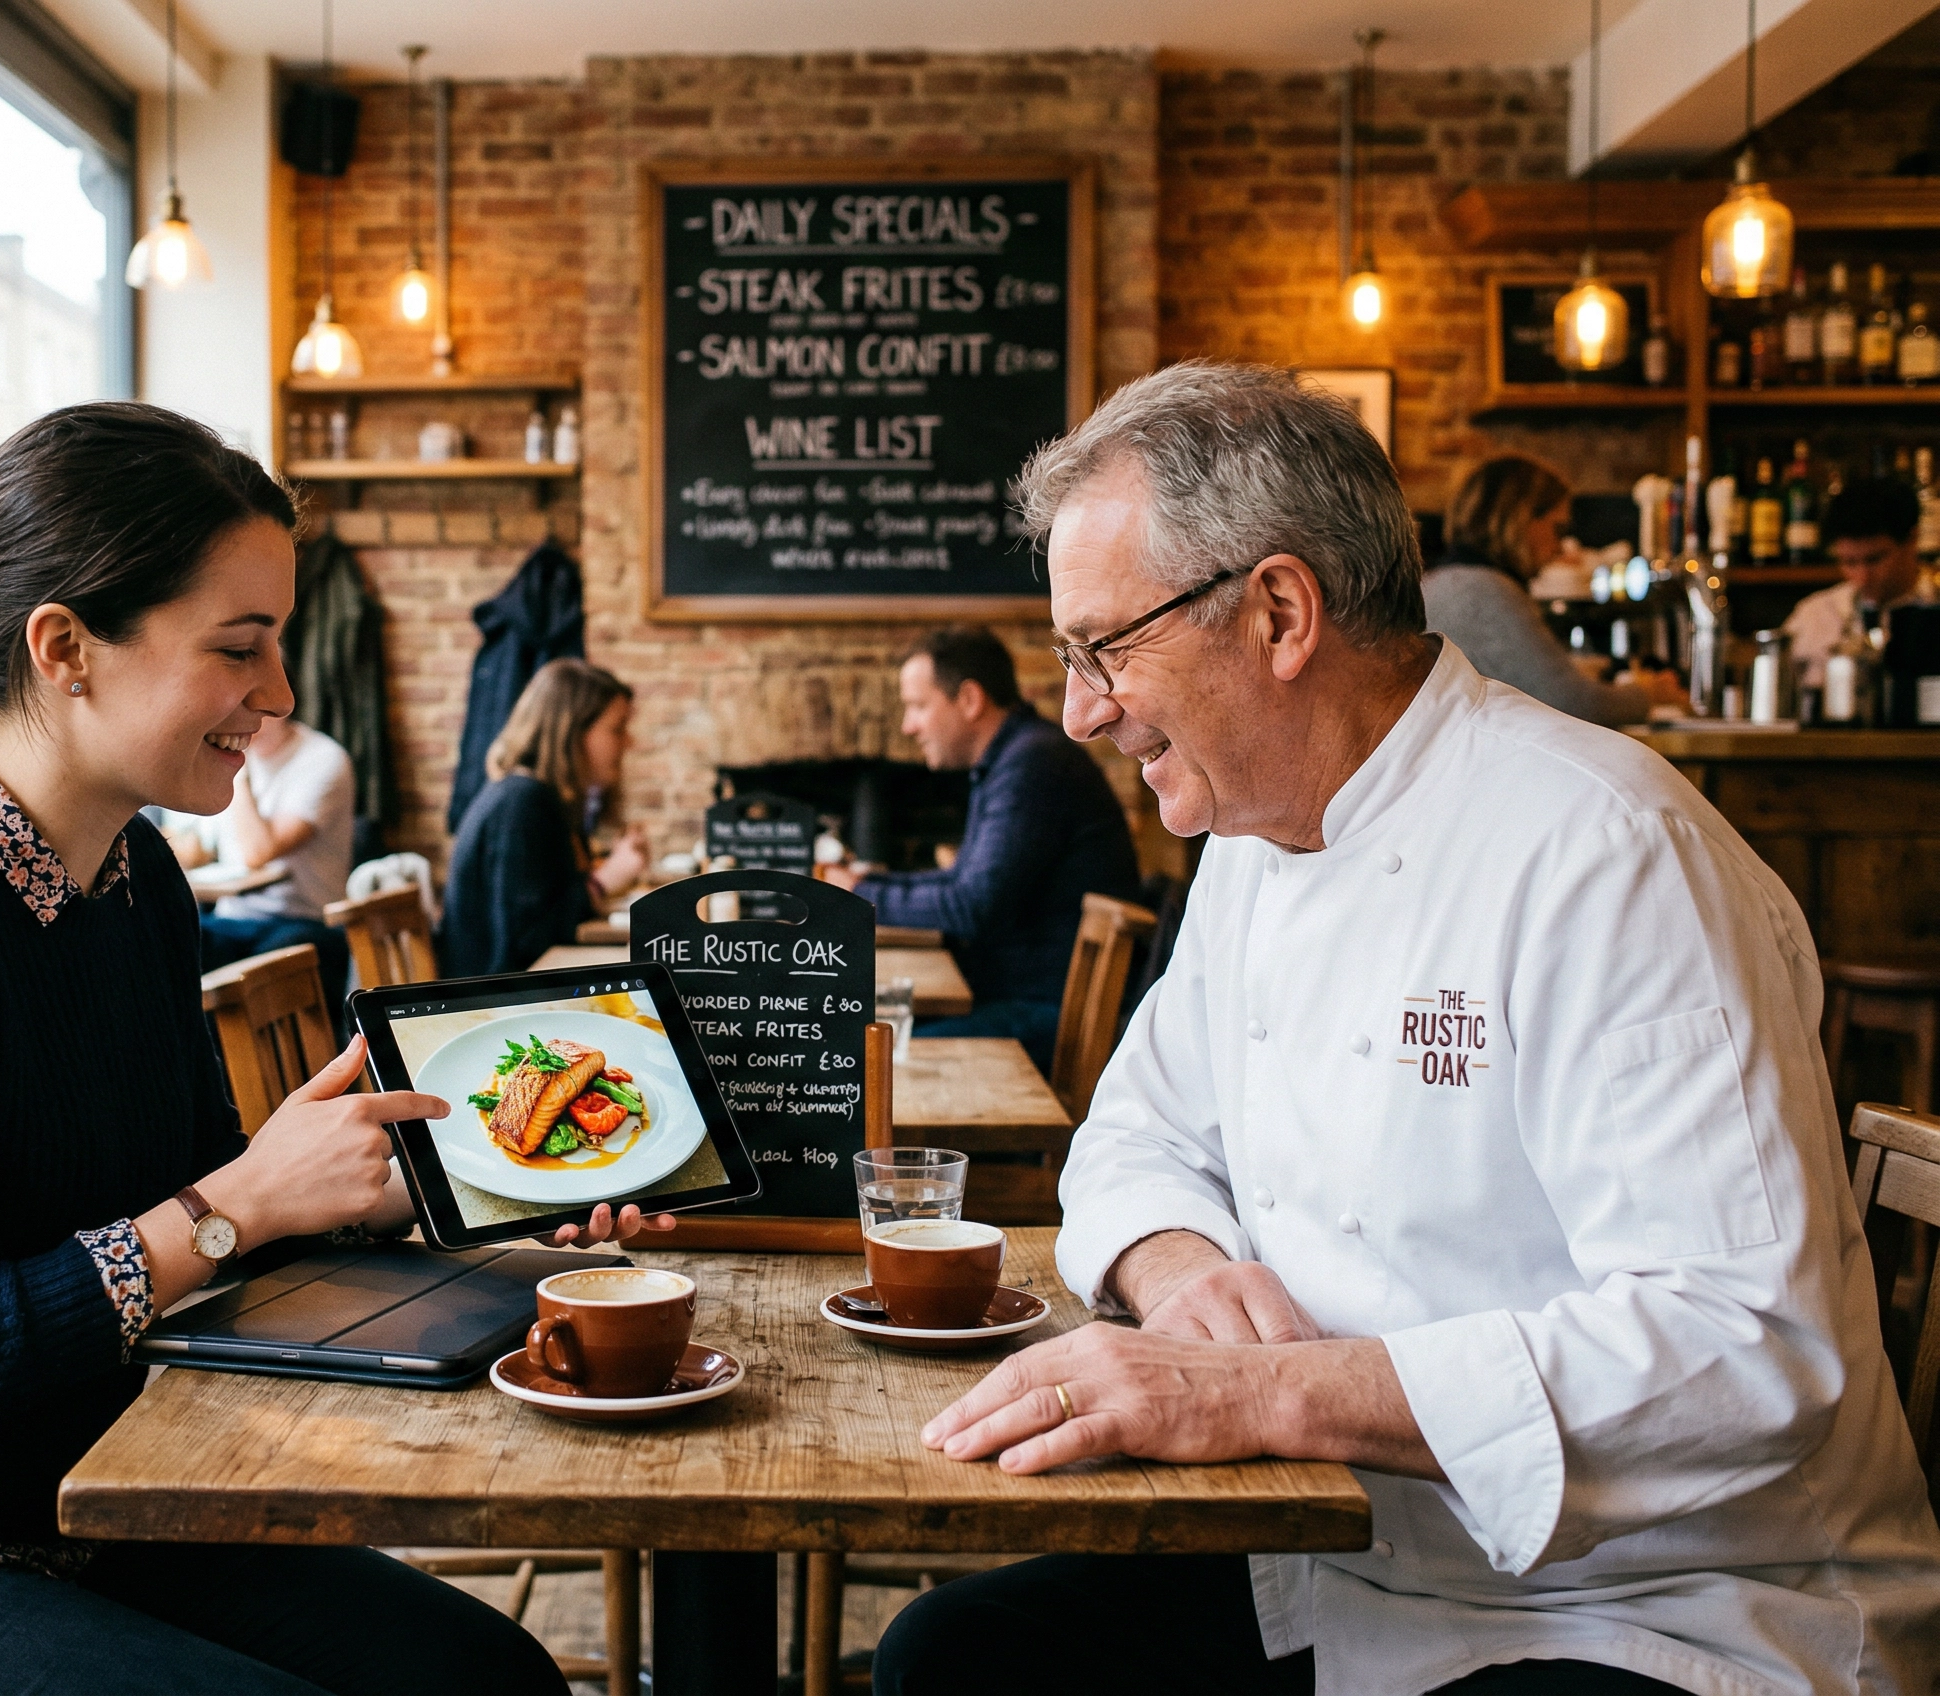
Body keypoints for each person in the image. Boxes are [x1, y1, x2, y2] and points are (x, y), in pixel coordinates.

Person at [874, 362, 1940, 1696]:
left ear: (1278, 611)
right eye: (1066, 658)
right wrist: (1180, 1266)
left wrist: (1270, 1394)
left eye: (1104, 647)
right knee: (951, 1659)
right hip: (1350, 1552)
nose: (1082, 707)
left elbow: (1747, 1348)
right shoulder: (1257, 839)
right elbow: (1137, 1128)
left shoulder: (1607, 852)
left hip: (1667, 1608)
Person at [0, 402, 664, 1696]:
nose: (280, 696)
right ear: (65, 648)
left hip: (78, 1507)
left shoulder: (134, 883)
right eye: (240, 649)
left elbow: (205, 1210)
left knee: (489, 1679)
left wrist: (460, 1188)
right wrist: (233, 1203)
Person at [817, 628, 1141, 1073]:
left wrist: (861, 895)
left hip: (1042, 1016)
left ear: (969, 700)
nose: (907, 726)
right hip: (1015, 996)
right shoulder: (1013, 756)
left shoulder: (1031, 765)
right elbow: (963, 882)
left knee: (857, 1062)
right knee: (862, 1035)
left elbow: (971, 906)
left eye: (917, 706)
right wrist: (866, 884)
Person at [1422, 454, 1679, 727]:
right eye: (1558, 529)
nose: (1559, 548)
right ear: (1522, 520)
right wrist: (1649, 695)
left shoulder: (1444, 581)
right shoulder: (1484, 591)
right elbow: (1575, 705)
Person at [439, 658, 647, 976]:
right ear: (572, 731)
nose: (629, 742)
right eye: (617, 729)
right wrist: (602, 883)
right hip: (495, 1005)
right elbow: (526, 941)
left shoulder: (534, 797)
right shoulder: (521, 804)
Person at [169, 712, 356, 990]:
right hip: (232, 919)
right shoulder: (231, 757)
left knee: (259, 973)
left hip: (301, 920)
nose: (233, 715)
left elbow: (259, 852)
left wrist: (238, 772)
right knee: (169, 939)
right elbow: (198, 849)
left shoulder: (322, 759)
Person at [1783, 477, 1937, 688]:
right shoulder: (1814, 615)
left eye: (1874, 559)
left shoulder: (1933, 606)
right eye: (1849, 562)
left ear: (1912, 539)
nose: (1862, 577)